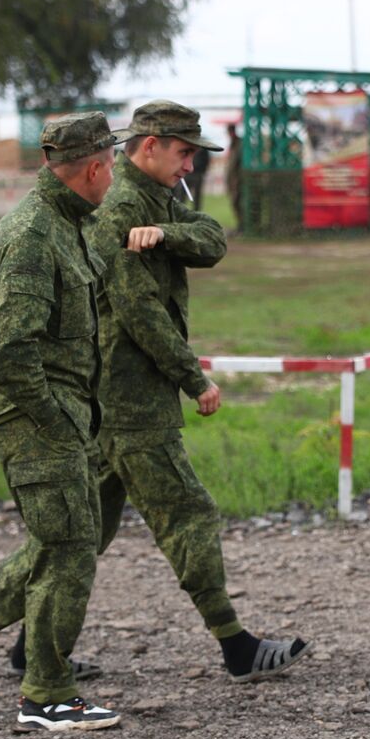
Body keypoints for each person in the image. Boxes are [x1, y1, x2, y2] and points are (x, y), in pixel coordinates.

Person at [0, 112, 136, 733]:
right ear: (93, 168)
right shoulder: (36, 234)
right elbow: (9, 349)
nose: (114, 172)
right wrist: (56, 420)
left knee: (63, 540)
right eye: (112, 163)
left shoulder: (67, 225)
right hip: (32, 418)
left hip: (54, 414)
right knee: (70, 547)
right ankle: (46, 694)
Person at [85, 100, 312, 683]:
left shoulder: (162, 199)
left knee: (80, 531)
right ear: (151, 144)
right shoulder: (120, 205)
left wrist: (164, 235)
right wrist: (195, 378)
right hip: (129, 394)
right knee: (189, 514)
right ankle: (236, 645)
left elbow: (212, 239)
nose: (191, 164)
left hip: (118, 395)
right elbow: (140, 313)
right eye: (184, 151)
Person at [178, 133, 212, 212]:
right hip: (187, 175)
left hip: (198, 174)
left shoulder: (203, 148)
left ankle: (196, 212)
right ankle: (180, 212)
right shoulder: (186, 146)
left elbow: (207, 160)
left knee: (197, 196)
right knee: (182, 195)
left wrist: (202, 171)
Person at [225, 122, 243, 223]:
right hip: (233, 180)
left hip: (238, 180)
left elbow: (236, 165)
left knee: (238, 203)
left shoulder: (239, 144)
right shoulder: (233, 144)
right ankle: (240, 225)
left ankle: (242, 225)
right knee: (235, 203)